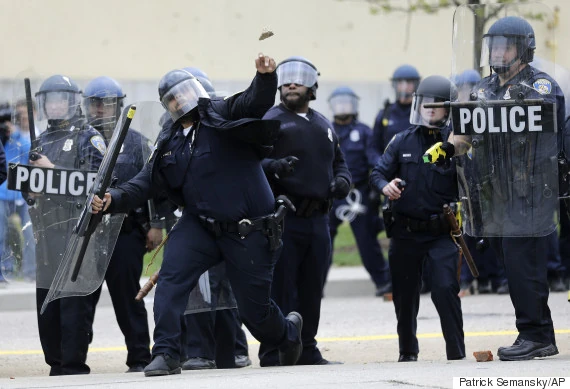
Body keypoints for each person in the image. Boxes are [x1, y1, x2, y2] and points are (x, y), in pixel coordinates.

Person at [91, 53, 303, 377]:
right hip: (200, 226)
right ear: (167, 106)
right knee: (172, 280)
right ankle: (165, 353)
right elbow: (146, 181)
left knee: (255, 314)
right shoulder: (170, 141)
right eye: (172, 98)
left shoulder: (221, 114)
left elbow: (252, 103)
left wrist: (265, 77)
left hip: (247, 230)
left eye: (184, 92)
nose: (180, 101)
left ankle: (288, 335)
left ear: (197, 91)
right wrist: (112, 198)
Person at [431, 16, 564, 360]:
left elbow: (547, 126)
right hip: (493, 193)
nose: (499, 51)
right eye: (495, 45)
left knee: (525, 265)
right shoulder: (483, 89)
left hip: (531, 192)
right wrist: (448, 146)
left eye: (506, 45)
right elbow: (465, 133)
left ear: (524, 49)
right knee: (511, 263)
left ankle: (535, 335)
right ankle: (536, 332)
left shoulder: (541, 86)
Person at [257, 56, 351, 366]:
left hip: (319, 221)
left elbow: (339, 160)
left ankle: (307, 348)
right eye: (285, 79)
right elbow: (252, 162)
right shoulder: (272, 120)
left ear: (312, 86)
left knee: (312, 289)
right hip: (286, 218)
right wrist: (275, 166)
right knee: (281, 288)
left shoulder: (323, 124)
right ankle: (273, 351)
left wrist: (343, 180)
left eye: (299, 78)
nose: (291, 83)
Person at [370, 75, 465, 362]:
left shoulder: (456, 144)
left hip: (441, 232)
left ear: (447, 109)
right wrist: (385, 187)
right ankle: (407, 352)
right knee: (405, 296)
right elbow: (377, 173)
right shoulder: (401, 140)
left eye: (436, 106)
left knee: (445, 288)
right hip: (406, 232)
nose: (430, 110)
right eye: (425, 105)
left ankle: (456, 353)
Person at [82, 76, 162, 373]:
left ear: (119, 105)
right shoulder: (81, 141)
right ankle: (75, 361)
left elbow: (152, 184)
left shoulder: (138, 142)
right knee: (83, 299)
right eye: (95, 103)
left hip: (126, 231)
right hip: (87, 235)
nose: (101, 109)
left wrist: (155, 224)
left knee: (128, 297)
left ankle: (140, 357)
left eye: (108, 103)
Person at [176, 67, 252, 370]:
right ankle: (195, 351)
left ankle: (233, 348)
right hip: (189, 221)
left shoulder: (222, 124)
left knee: (225, 289)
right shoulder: (170, 129)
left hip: (225, 221)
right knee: (195, 291)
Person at [32, 74, 106, 375]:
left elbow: (97, 183)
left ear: (73, 102)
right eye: (50, 100)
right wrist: (32, 190)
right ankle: (54, 362)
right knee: (46, 302)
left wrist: (53, 171)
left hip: (77, 233)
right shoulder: (41, 141)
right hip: (46, 233)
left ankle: (73, 364)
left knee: (72, 305)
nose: (56, 105)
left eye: (61, 99)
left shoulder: (88, 137)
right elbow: (30, 188)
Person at [325, 86, 390, 297]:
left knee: (366, 238)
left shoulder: (363, 131)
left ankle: (383, 281)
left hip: (358, 192)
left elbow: (373, 157)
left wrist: (377, 184)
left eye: (347, 102)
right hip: (330, 193)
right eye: (339, 103)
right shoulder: (325, 129)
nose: (343, 107)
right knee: (322, 239)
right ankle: (313, 286)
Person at [0, 103, 35, 283]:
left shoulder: (23, 138)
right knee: (1, 234)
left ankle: (31, 272)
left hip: (21, 193)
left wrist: (13, 134)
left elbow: (28, 153)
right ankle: (4, 271)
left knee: (30, 233)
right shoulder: (3, 137)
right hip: (3, 193)